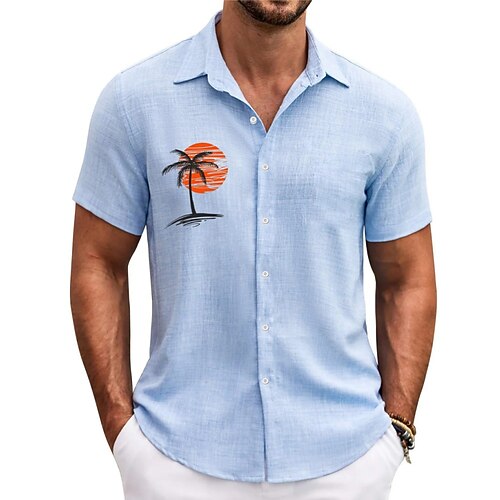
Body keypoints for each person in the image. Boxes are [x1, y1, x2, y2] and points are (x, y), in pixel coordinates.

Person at [70, 1, 437, 499]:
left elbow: (407, 280)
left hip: (346, 465)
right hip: (176, 461)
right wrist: (123, 436)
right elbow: (99, 263)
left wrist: (395, 433)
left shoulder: (384, 115)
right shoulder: (134, 103)